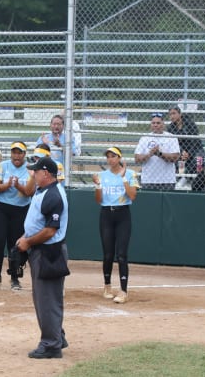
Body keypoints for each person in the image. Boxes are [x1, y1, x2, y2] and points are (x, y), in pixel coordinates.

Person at [15, 156, 69, 359]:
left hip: (49, 253)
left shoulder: (53, 195)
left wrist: (28, 242)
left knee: (47, 300)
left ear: (46, 173)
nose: (33, 174)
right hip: (43, 250)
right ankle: (57, 337)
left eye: (36, 171)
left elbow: (50, 230)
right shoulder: (43, 191)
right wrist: (25, 236)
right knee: (45, 298)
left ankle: (51, 345)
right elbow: (38, 222)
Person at [92, 146, 139, 304]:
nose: (110, 159)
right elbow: (98, 200)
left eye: (113, 156)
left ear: (119, 158)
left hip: (123, 214)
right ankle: (107, 286)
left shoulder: (130, 174)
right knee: (108, 254)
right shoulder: (102, 175)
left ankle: (123, 291)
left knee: (122, 254)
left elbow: (132, 196)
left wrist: (124, 178)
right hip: (106, 214)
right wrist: (98, 185)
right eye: (108, 156)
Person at [0, 141, 36, 290]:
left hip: (20, 209)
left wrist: (18, 186)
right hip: (1, 208)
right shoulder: (3, 166)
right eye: (14, 152)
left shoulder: (30, 169)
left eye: (19, 153)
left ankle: (14, 277)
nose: (17, 156)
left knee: (15, 244)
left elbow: (30, 192)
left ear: (24, 154)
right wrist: (7, 185)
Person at [133, 113, 180, 190]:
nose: (155, 125)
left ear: (163, 124)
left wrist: (159, 154)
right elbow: (137, 159)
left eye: (158, 123)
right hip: (148, 180)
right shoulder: (144, 138)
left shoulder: (171, 137)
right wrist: (150, 154)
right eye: (153, 123)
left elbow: (174, 158)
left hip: (167, 181)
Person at [166, 107, 204, 187]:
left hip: (195, 149)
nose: (172, 116)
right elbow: (173, 143)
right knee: (179, 160)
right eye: (170, 114)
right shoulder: (170, 128)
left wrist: (189, 153)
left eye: (174, 113)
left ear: (180, 114)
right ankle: (181, 178)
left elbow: (195, 141)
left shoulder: (190, 124)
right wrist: (182, 152)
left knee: (199, 160)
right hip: (181, 151)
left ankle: (192, 179)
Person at [37, 114, 81, 180]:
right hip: (46, 172)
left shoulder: (68, 138)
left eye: (59, 124)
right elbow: (37, 157)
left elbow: (72, 154)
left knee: (59, 184)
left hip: (61, 171)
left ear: (63, 126)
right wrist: (45, 144)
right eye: (54, 124)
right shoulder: (43, 138)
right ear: (50, 125)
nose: (56, 126)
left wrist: (60, 146)